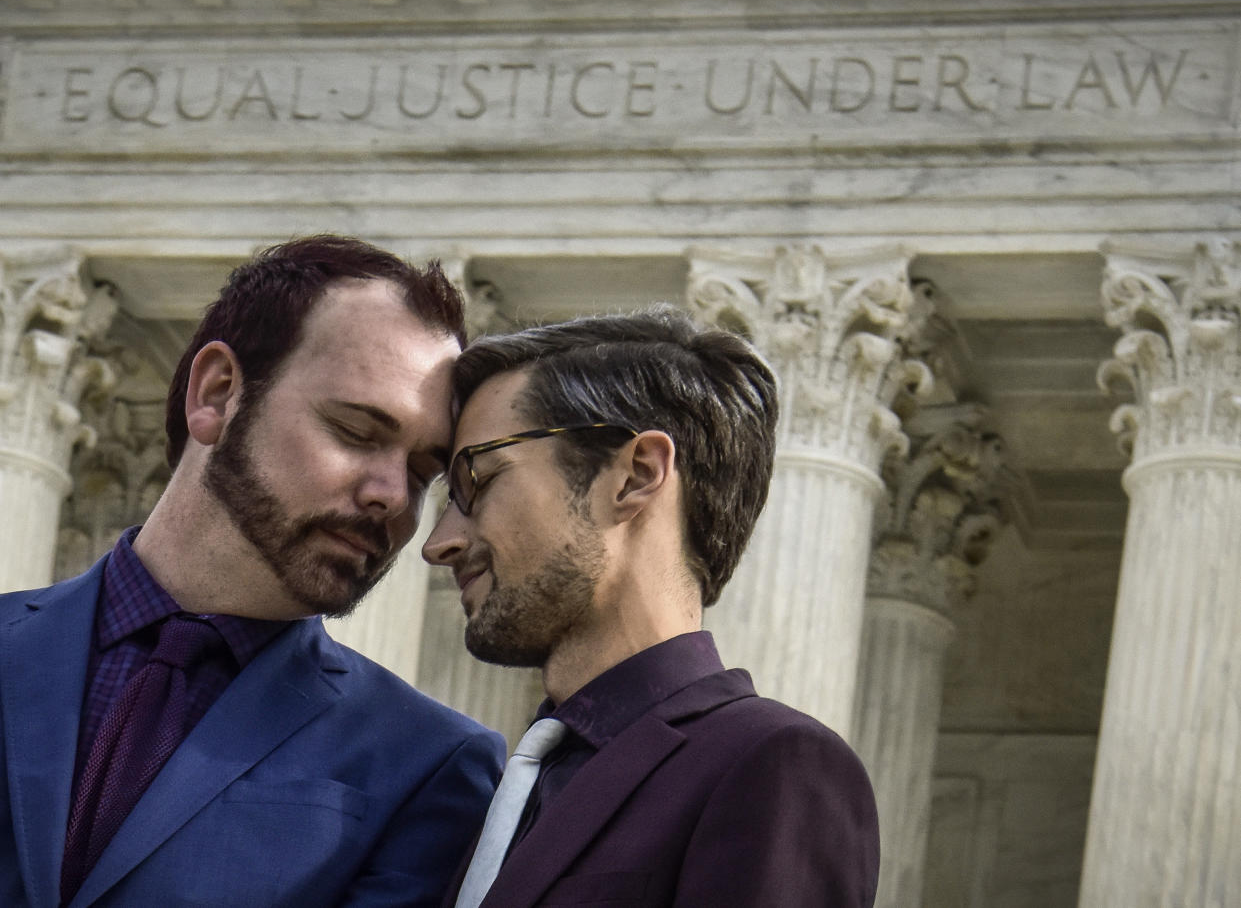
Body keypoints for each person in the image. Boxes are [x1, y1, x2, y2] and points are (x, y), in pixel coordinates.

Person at [0, 235, 506, 907]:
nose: (392, 494)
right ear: (217, 393)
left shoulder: (430, 762)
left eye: (422, 473)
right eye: (356, 431)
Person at [422, 306, 881, 908]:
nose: (438, 543)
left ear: (636, 476)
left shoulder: (774, 765)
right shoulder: (506, 785)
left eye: (475, 481)